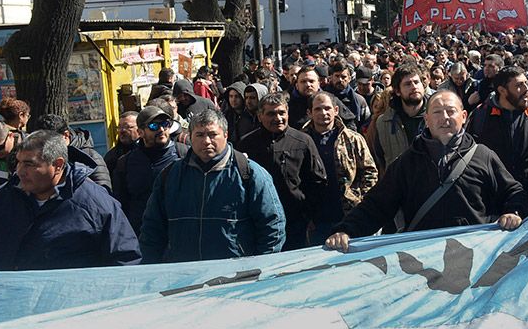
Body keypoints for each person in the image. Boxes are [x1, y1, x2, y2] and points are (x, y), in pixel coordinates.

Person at [323, 90, 526, 250]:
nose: (444, 118)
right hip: (423, 262)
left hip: (473, 256)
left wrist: (513, 211)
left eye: (450, 111)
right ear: (427, 120)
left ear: (464, 116)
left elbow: (513, 191)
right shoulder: (407, 162)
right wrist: (346, 231)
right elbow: (376, 205)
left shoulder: (483, 156)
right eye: (437, 112)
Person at [0, 131, 141, 271]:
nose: (20, 171)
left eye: (30, 164)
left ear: (58, 165)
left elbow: (125, 260)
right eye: (19, 162)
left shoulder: (95, 204)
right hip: (6, 310)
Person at [140, 109, 285, 263]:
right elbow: (152, 229)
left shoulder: (250, 174)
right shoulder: (170, 175)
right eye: (200, 135)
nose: (206, 141)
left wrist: (259, 267)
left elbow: (273, 227)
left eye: (212, 134)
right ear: (190, 137)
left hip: (235, 276)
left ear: (225, 134)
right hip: (183, 275)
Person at [238, 91, 328, 250]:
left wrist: (312, 216)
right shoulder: (247, 144)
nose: (278, 118)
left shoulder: (303, 141)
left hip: (296, 220)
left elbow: (318, 180)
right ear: (260, 116)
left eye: (282, 113)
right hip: (259, 221)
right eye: (271, 114)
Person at [468, 65, 528, 211]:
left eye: (526, 83)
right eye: (519, 85)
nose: (526, 89)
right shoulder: (480, 117)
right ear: (502, 90)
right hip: (495, 205)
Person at [301, 91, 377, 244]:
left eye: (327, 108)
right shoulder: (300, 142)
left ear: (336, 110)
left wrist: (361, 202)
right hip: (317, 220)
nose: (323, 113)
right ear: (309, 113)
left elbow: (370, 172)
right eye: (318, 109)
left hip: (350, 215)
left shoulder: (353, 139)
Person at [112, 103, 187, 236]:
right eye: (154, 126)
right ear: (140, 132)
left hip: (177, 231)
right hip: (141, 233)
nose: (162, 129)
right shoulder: (125, 162)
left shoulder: (183, 154)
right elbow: (120, 202)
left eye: (165, 124)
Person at [33, 114, 113, 193]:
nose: (47, 146)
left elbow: (104, 192)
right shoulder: (40, 157)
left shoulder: (91, 156)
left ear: (66, 135)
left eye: (51, 141)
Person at [372, 64, 430, 171]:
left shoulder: (436, 117)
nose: (414, 87)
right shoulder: (383, 122)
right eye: (408, 84)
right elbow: (380, 159)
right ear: (398, 91)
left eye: (417, 82)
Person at [325, 61, 371, 130]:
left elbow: (366, 124)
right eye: (337, 76)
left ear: (349, 78)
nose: (340, 80)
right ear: (331, 77)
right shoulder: (323, 99)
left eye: (343, 77)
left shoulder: (359, 100)